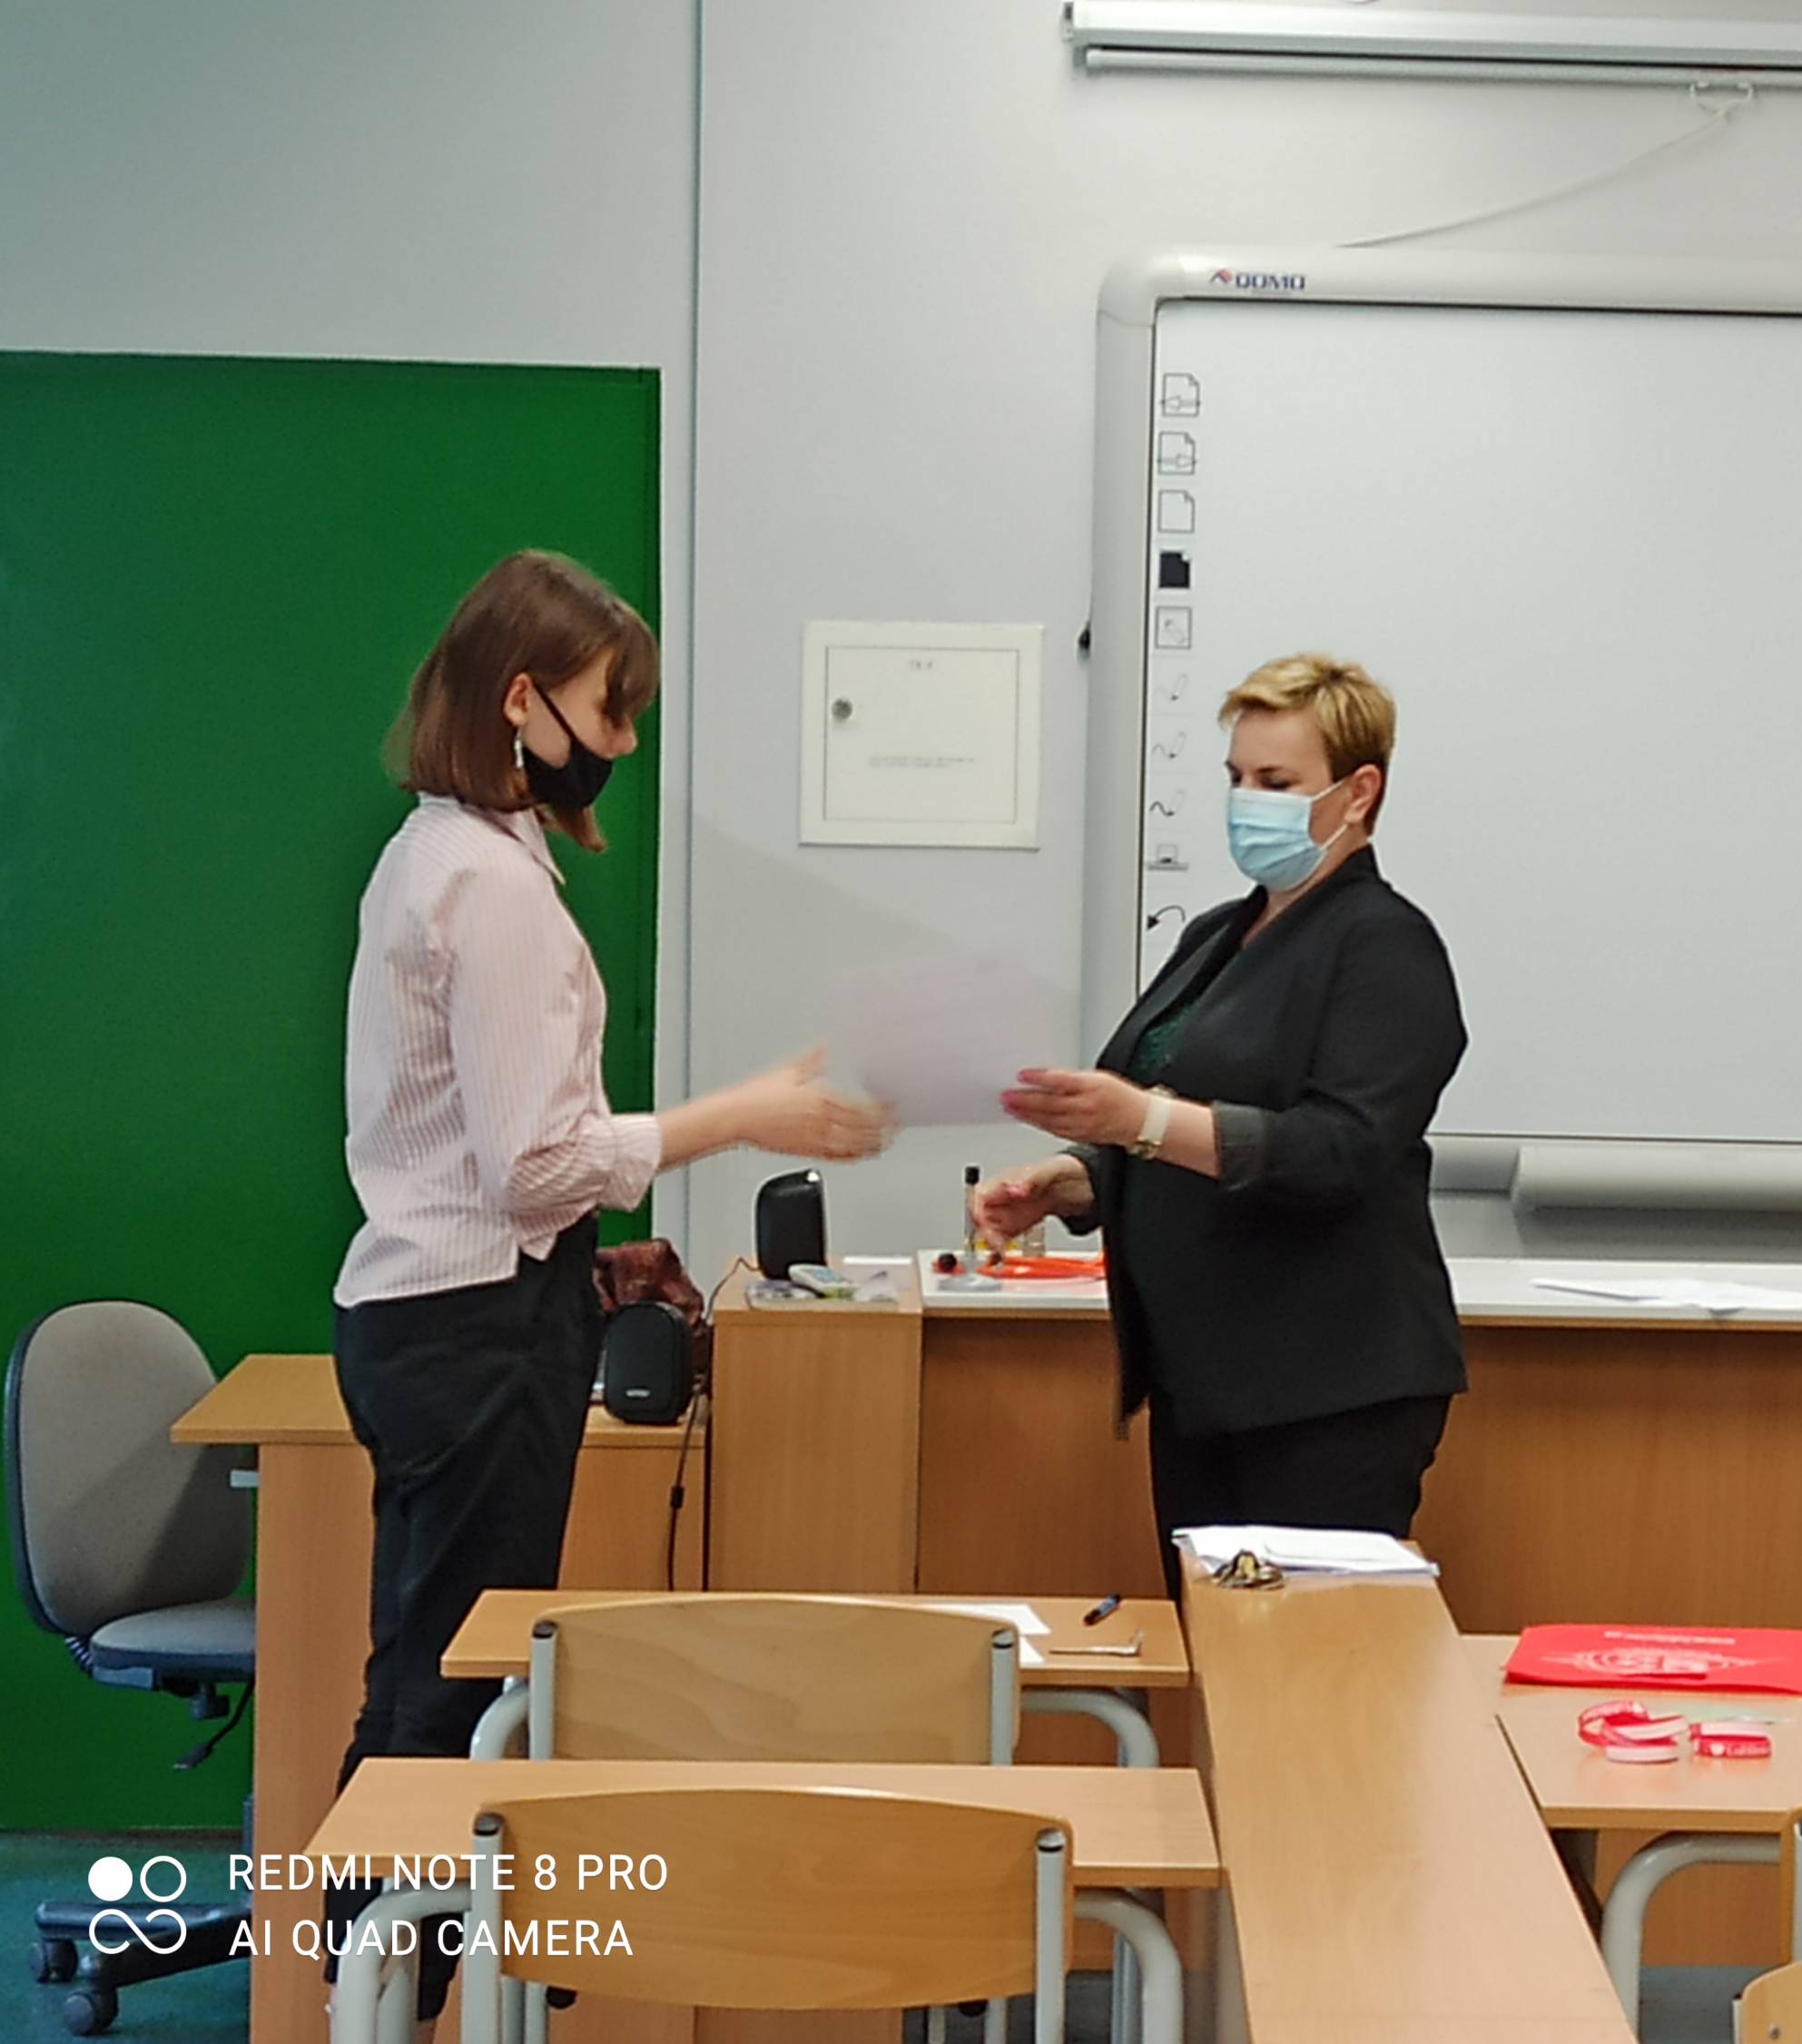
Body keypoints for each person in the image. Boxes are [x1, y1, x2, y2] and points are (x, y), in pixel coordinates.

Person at [327, 551, 888, 2000]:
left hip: (441, 1311)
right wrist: (737, 1116)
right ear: (521, 700)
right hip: (473, 1335)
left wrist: (591, 1258)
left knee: (426, 1679)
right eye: (608, 709)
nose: (625, 744)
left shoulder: (438, 854)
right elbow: (530, 1165)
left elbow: (485, 1162)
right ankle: (385, 1998)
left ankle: (379, 1997)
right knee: (448, 1697)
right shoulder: (491, 888)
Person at [976, 653, 1468, 1594]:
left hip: (1327, 1385)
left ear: (1359, 792)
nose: (1249, 802)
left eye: (1277, 782)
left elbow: (1340, 1148)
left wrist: (1142, 1120)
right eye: (1238, 778)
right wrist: (1074, 1181)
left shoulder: (1385, 943)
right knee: (1217, 1645)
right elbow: (1165, 1116)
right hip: (1208, 1381)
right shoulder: (1218, 934)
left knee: (1306, 1656)